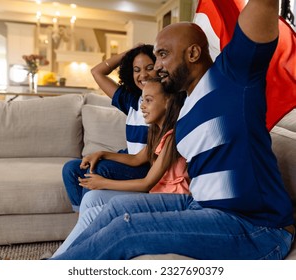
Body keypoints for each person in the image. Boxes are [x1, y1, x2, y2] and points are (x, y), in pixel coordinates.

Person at [51, 0, 295, 260]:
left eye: (163, 54)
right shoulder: (185, 109)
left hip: (256, 225)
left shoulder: (232, 78)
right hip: (200, 205)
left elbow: (263, 7)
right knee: (115, 208)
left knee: (127, 229)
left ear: (192, 54)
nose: (156, 66)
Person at [51, 79, 189, 257]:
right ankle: (74, 251)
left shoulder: (172, 137)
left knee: (92, 214)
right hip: (157, 194)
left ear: (168, 101)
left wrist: (103, 182)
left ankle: (58, 261)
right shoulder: (156, 132)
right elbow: (137, 159)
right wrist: (102, 153)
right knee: (92, 198)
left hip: (171, 200)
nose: (142, 107)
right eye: (142, 101)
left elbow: (146, 184)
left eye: (149, 100)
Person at [62, 45, 157, 212]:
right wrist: (130, 53)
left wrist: (102, 155)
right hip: (131, 159)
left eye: (150, 68)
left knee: (98, 168)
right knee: (71, 169)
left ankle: (87, 226)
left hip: (148, 167)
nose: (143, 75)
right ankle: (83, 219)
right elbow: (97, 72)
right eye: (136, 70)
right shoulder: (133, 101)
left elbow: (143, 158)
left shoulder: (165, 104)